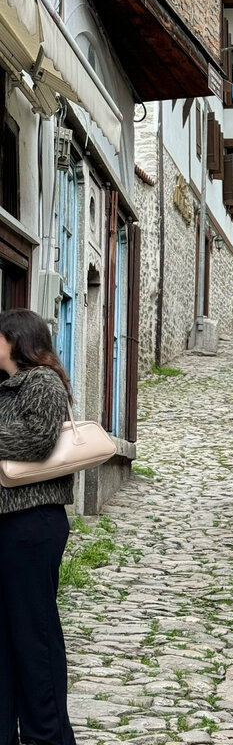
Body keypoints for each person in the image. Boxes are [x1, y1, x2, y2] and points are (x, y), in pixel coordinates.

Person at [0, 308, 76, 745]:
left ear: (15, 339)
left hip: (33, 524)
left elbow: (38, 439)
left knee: (34, 632)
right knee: (6, 635)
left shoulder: (42, 381)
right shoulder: (6, 387)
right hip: (8, 524)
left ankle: (47, 736)